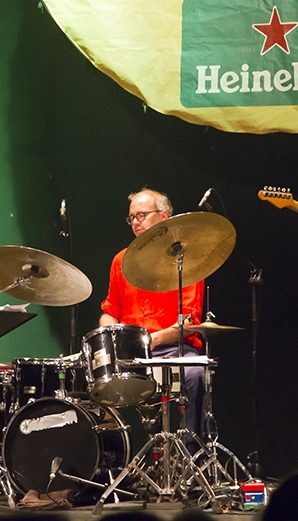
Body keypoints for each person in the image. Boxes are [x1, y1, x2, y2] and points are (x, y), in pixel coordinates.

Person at [100, 188, 205, 448]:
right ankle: (109, 463)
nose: (136, 222)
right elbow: (110, 311)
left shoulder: (187, 260)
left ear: (164, 216)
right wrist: (106, 338)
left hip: (173, 348)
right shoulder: (120, 261)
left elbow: (189, 321)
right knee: (85, 377)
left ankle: (190, 459)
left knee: (194, 374)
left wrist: (149, 340)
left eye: (142, 215)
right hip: (130, 352)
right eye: (132, 217)